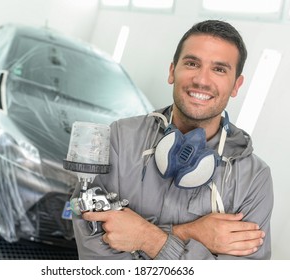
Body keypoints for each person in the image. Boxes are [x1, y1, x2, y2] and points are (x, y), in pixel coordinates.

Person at [71, 19, 274, 260]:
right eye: (192, 63)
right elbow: (95, 255)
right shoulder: (120, 138)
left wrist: (149, 238)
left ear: (236, 85)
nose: (202, 80)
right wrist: (188, 234)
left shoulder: (253, 179)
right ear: (172, 71)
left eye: (219, 69)